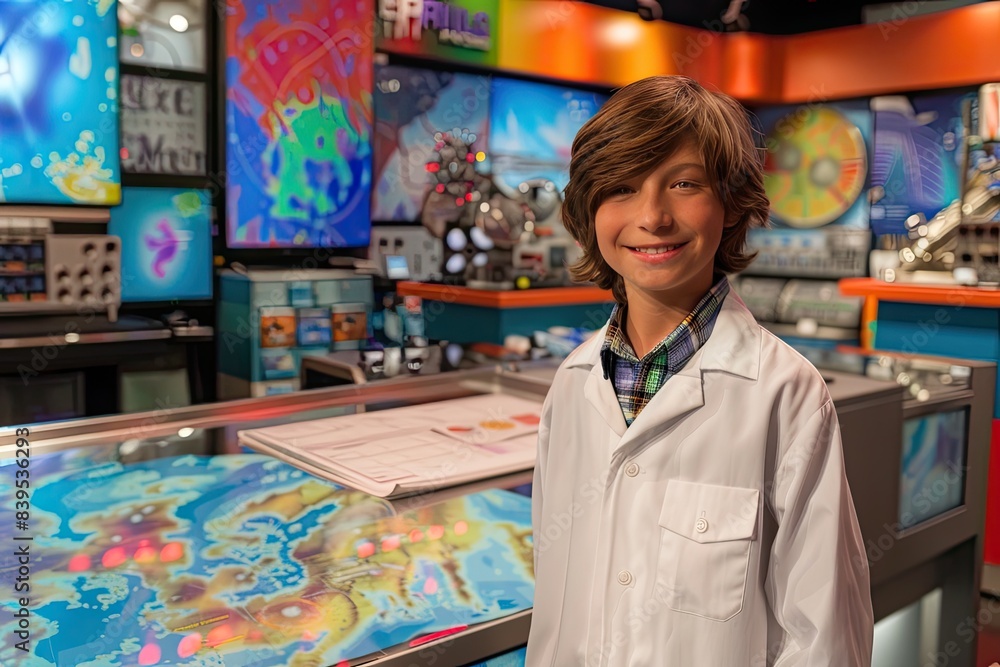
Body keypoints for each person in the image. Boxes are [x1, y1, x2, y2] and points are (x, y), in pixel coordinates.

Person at [526, 76, 873, 666]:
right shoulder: (572, 383)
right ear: (588, 209)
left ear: (730, 203)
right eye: (621, 188)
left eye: (684, 184)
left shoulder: (785, 393)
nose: (652, 216)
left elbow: (825, 636)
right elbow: (555, 601)